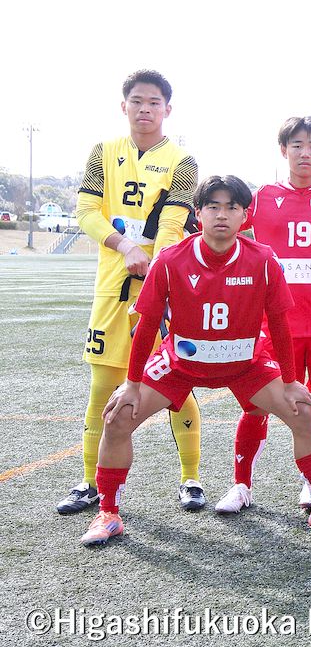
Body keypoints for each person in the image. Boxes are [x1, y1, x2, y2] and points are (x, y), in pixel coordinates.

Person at [80, 176, 311, 545]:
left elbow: (280, 323)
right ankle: (108, 512)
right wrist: (133, 384)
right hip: (181, 361)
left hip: (245, 361)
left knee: (302, 412)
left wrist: (290, 380)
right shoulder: (170, 260)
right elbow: (148, 324)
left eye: (232, 207)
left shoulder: (263, 260)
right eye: (213, 206)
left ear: (245, 216)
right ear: (197, 213)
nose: (222, 215)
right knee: (118, 416)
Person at [59, 70, 205, 516]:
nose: (145, 109)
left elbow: (173, 224)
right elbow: (86, 212)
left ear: (168, 109)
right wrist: (125, 247)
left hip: (162, 290)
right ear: (123, 106)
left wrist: (158, 272)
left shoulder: (183, 161)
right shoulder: (102, 152)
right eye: (137, 101)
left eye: (154, 102)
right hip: (111, 287)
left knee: (175, 384)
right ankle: (90, 482)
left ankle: (191, 479)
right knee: (103, 387)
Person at [213, 117, 311, 514]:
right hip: (274, 324)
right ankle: (241, 484)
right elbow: (226, 230)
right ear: (283, 150)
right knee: (256, 406)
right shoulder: (263, 196)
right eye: (297, 145)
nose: (306, 153)